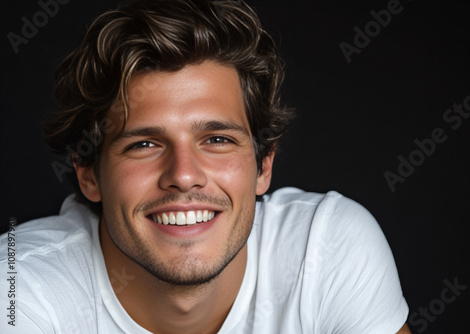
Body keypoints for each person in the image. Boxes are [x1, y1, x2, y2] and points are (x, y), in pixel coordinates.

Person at [0, 0, 411, 333]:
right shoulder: (18, 286)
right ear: (88, 173)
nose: (183, 174)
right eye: (144, 143)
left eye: (217, 140)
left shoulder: (326, 248)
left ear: (264, 165)